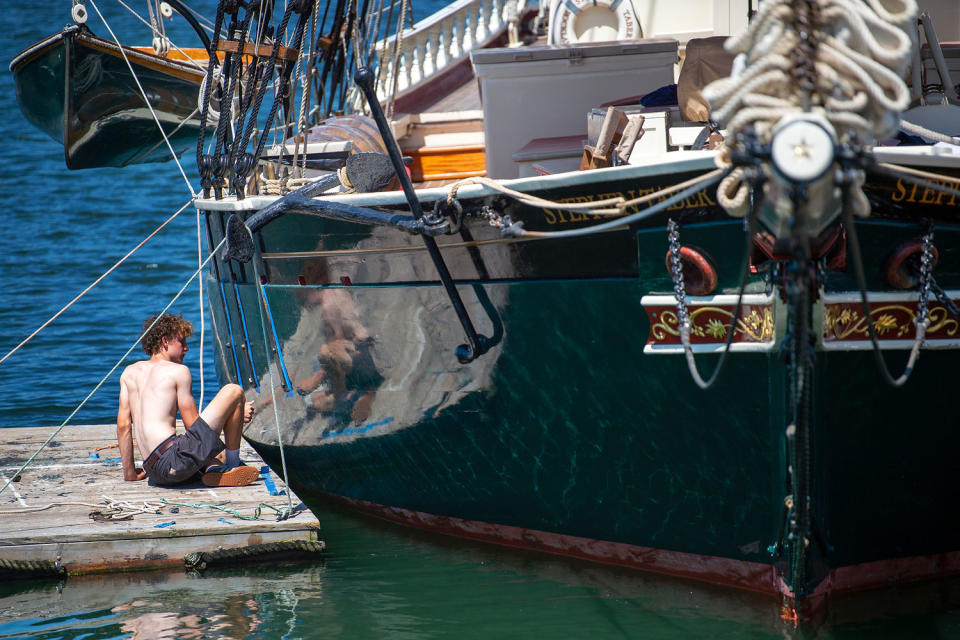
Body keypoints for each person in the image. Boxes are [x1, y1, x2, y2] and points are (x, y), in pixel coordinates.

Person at [117, 313, 258, 487]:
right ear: (164, 341)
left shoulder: (129, 372)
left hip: (153, 469)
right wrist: (232, 414)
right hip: (175, 463)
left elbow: (123, 426)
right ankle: (233, 465)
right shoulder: (178, 371)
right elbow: (192, 426)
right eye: (181, 342)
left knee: (215, 455)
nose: (186, 348)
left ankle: (213, 469)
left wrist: (129, 473)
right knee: (234, 391)